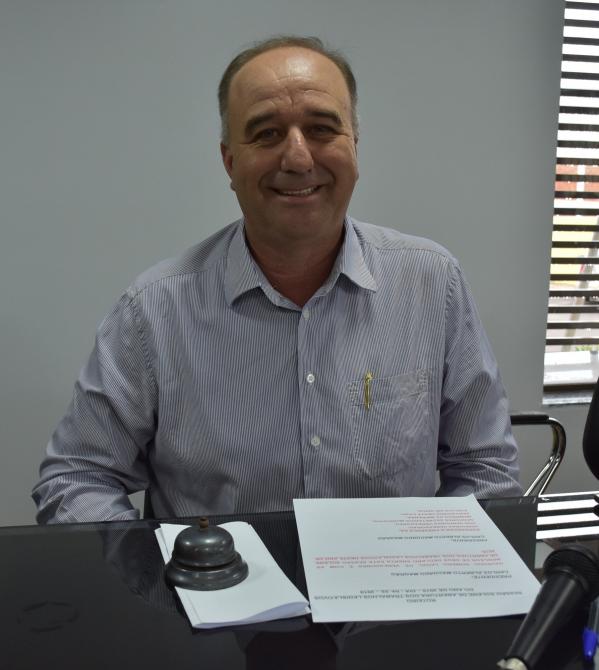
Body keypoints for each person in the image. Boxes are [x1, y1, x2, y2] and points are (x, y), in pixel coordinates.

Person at [32, 35, 521, 524]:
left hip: (393, 573)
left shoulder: (431, 284)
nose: (298, 159)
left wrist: (441, 558)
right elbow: (77, 478)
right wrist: (155, 563)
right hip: (222, 574)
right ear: (230, 162)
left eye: (322, 129)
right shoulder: (155, 311)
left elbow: (485, 470)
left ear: (354, 147)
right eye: (266, 134)